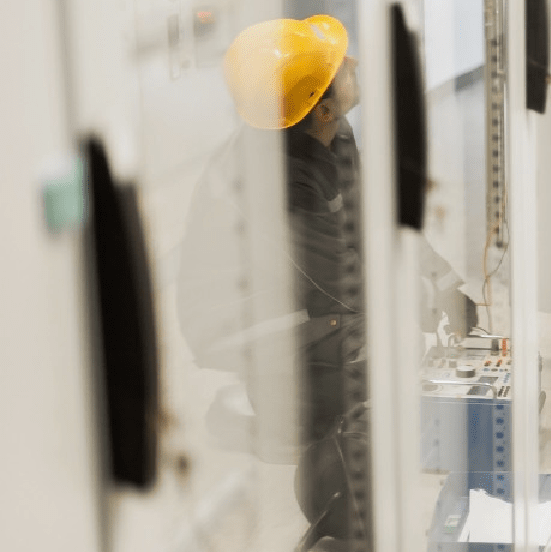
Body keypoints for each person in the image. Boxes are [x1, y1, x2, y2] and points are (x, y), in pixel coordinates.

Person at [177, 14, 475, 546]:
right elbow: (340, 281)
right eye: (338, 66)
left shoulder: (326, 133)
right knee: (369, 341)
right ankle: (316, 468)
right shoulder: (276, 179)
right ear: (323, 104)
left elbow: (378, 220)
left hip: (281, 298)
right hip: (238, 327)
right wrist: (419, 305)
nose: (353, 62)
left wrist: (442, 280)